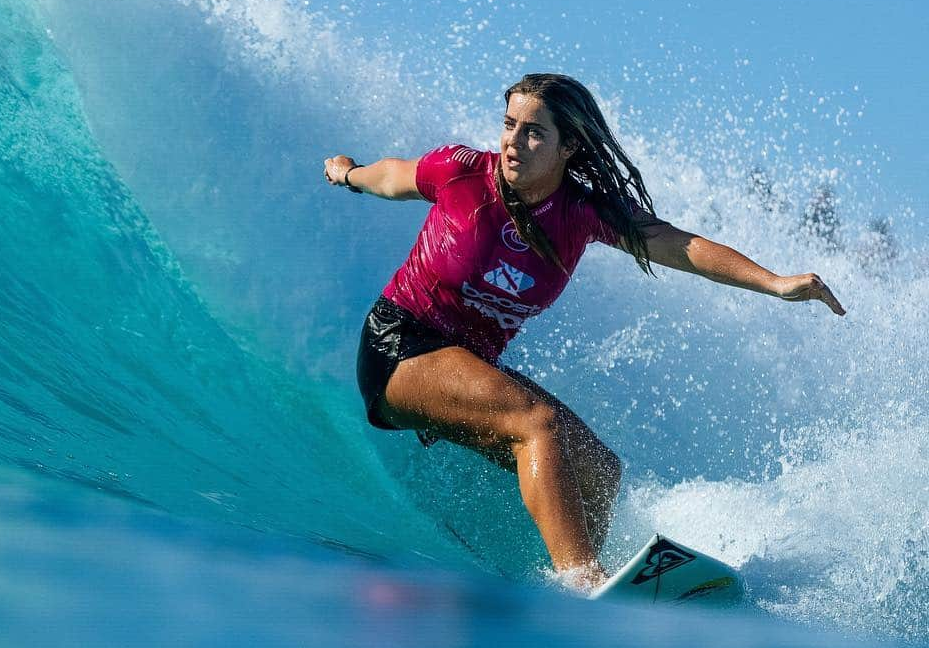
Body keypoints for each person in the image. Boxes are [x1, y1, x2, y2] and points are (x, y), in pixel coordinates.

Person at [324, 73, 845, 592]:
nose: (513, 142)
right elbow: (394, 176)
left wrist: (774, 284)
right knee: (538, 424)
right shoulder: (461, 173)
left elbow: (680, 246)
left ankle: (577, 583)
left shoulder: (580, 214)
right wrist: (350, 174)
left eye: (534, 133)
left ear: (568, 146)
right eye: (509, 126)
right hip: (400, 345)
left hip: (465, 361)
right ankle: (580, 579)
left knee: (598, 471)